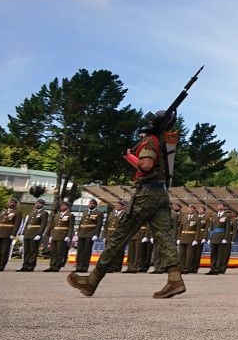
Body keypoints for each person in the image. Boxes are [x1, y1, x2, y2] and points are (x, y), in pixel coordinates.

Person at [67, 109, 186, 298]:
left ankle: (92, 280)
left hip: (145, 195)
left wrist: (130, 157)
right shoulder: (162, 141)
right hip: (160, 194)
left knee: (119, 236)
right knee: (164, 237)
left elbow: (145, 165)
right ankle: (174, 279)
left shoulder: (150, 141)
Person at [73, 200, 105, 273]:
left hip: (90, 234)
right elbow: (81, 222)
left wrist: (96, 235)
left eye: (93, 204)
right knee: (80, 251)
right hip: (82, 233)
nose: (91, 204)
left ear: (95, 205)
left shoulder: (99, 213)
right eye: (90, 203)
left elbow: (99, 225)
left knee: (86, 251)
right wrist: (77, 232)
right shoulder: (85, 212)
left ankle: (84, 267)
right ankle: (78, 266)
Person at [18, 200, 50, 272]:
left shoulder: (44, 213)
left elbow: (43, 224)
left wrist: (39, 234)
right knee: (26, 251)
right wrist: (22, 234)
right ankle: (24, 265)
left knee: (33, 251)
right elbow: (26, 224)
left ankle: (31, 266)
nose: (38, 204)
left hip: (35, 233)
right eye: (37, 203)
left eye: (40, 203)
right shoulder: (32, 212)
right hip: (27, 233)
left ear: (43, 205)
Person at [44, 201, 75, 272]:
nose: (62, 207)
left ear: (67, 207)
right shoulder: (57, 215)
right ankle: (52, 266)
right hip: (55, 235)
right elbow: (53, 226)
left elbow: (71, 227)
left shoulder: (70, 215)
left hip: (63, 235)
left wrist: (68, 236)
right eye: (61, 205)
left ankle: (57, 266)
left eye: (64, 205)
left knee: (60, 252)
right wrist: (51, 235)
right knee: (53, 252)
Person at [206, 203, 236, 275]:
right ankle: (212, 268)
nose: (219, 206)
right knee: (213, 254)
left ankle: (217, 268)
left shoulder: (227, 216)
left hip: (221, 237)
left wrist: (226, 238)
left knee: (220, 254)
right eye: (218, 205)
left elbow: (228, 228)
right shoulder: (214, 216)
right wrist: (209, 238)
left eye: (221, 205)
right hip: (213, 237)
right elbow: (211, 228)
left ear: (223, 207)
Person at [0, 198, 22, 271]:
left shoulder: (18, 212)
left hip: (8, 233)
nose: (11, 204)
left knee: (4, 250)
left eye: (13, 202)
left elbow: (17, 224)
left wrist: (13, 234)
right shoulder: (3, 211)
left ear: (16, 204)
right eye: (10, 202)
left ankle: (1, 265)